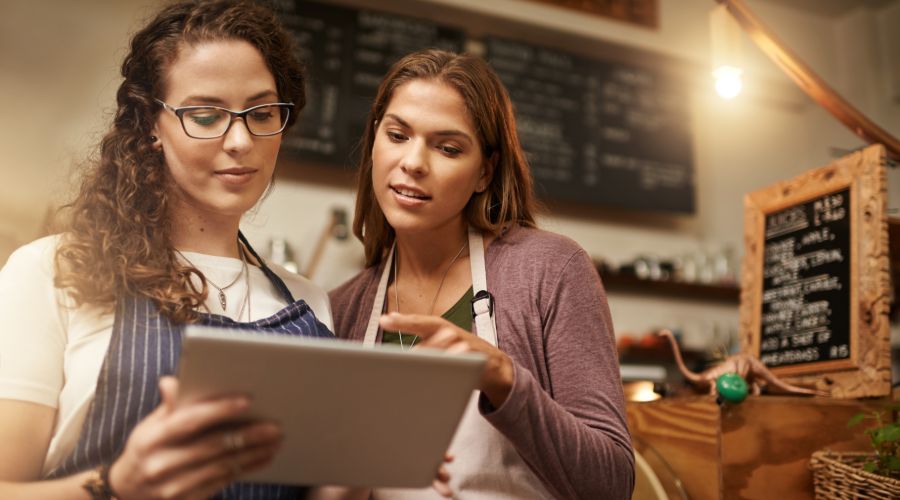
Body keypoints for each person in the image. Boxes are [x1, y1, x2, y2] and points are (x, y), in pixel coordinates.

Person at [0, 1, 339, 498]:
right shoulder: (51, 270)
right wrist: (114, 485)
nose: (241, 140)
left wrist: (352, 481)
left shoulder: (310, 302)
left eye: (262, 113)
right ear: (152, 125)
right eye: (205, 115)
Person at [329, 49, 635, 499]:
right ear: (375, 142)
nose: (414, 162)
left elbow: (610, 485)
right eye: (397, 135)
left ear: (484, 173)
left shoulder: (550, 271)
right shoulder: (342, 309)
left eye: (448, 148)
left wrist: (503, 379)